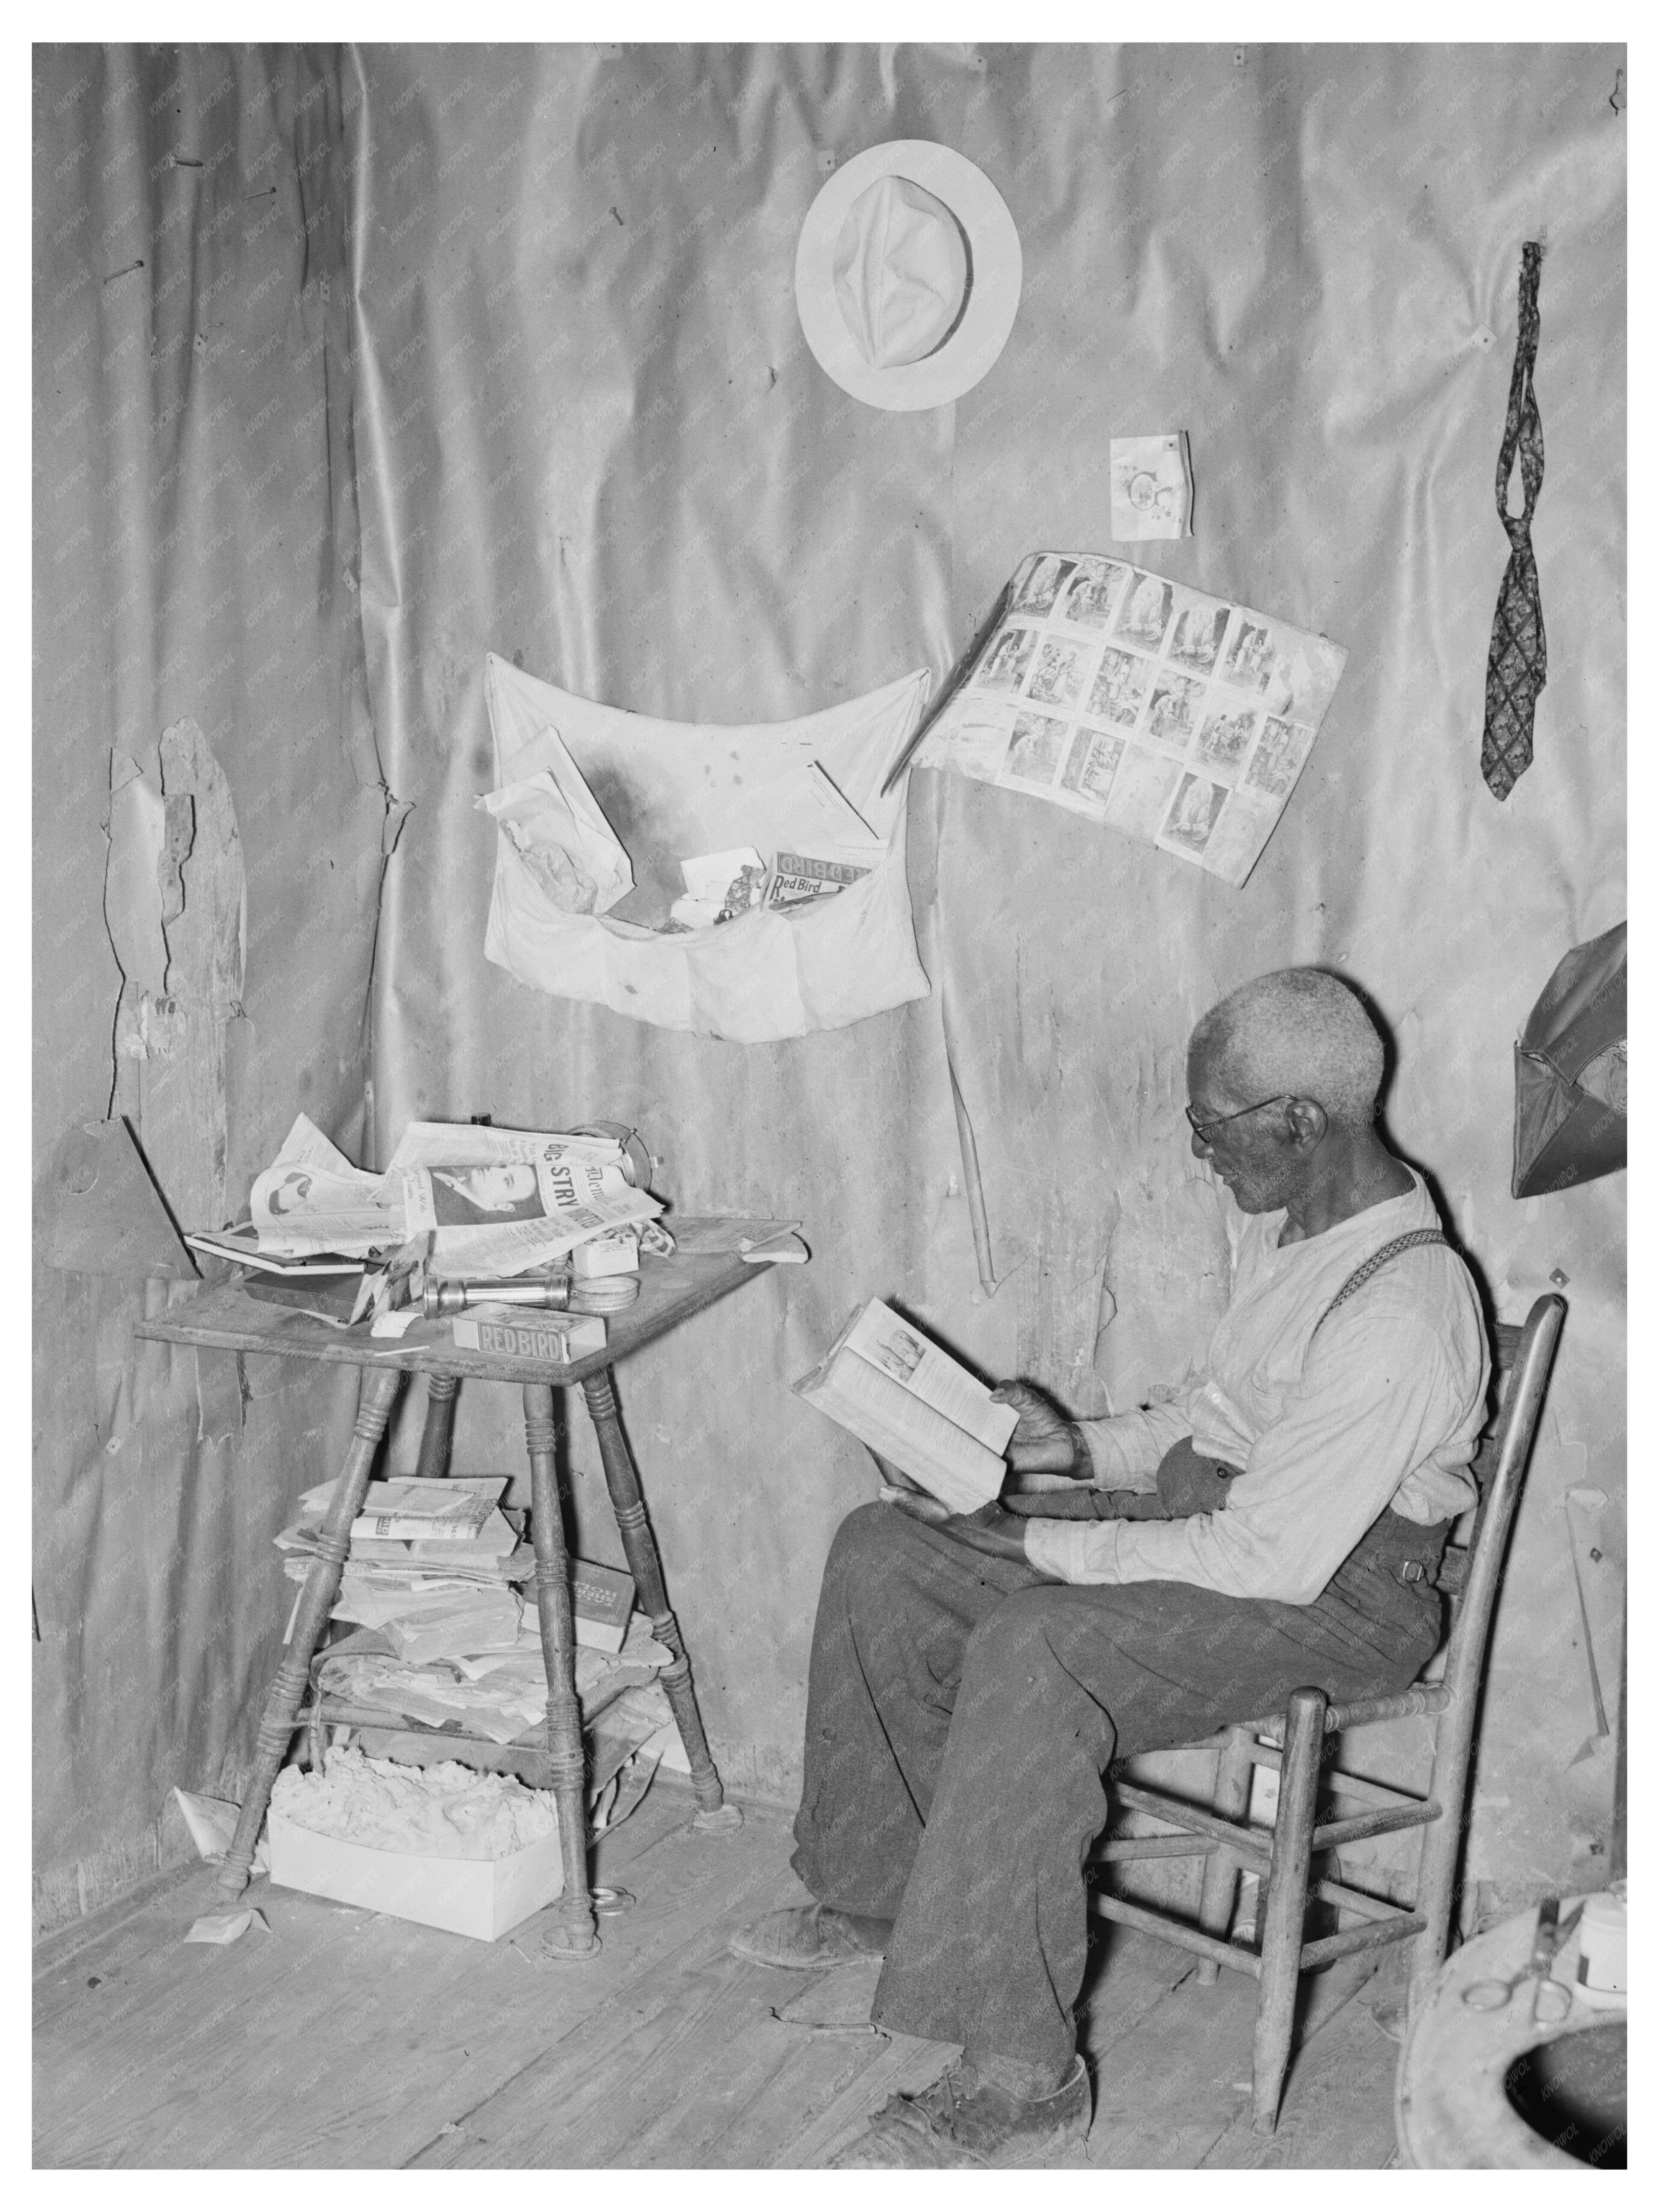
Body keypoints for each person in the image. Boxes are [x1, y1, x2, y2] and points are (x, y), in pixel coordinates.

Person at [730, 968, 1489, 2168]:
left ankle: (1024, 2075)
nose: (1196, 1153)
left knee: (1039, 1647)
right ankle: (881, 1893)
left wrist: (1031, 1539)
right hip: (1247, 1533)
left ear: (1299, 1120)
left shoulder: (1400, 1310)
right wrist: (1071, 1445)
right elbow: (1215, 1420)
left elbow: (1267, 1559)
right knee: (887, 1548)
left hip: (1336, 1599)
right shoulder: (1308, 1227)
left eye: (1209, 1127)